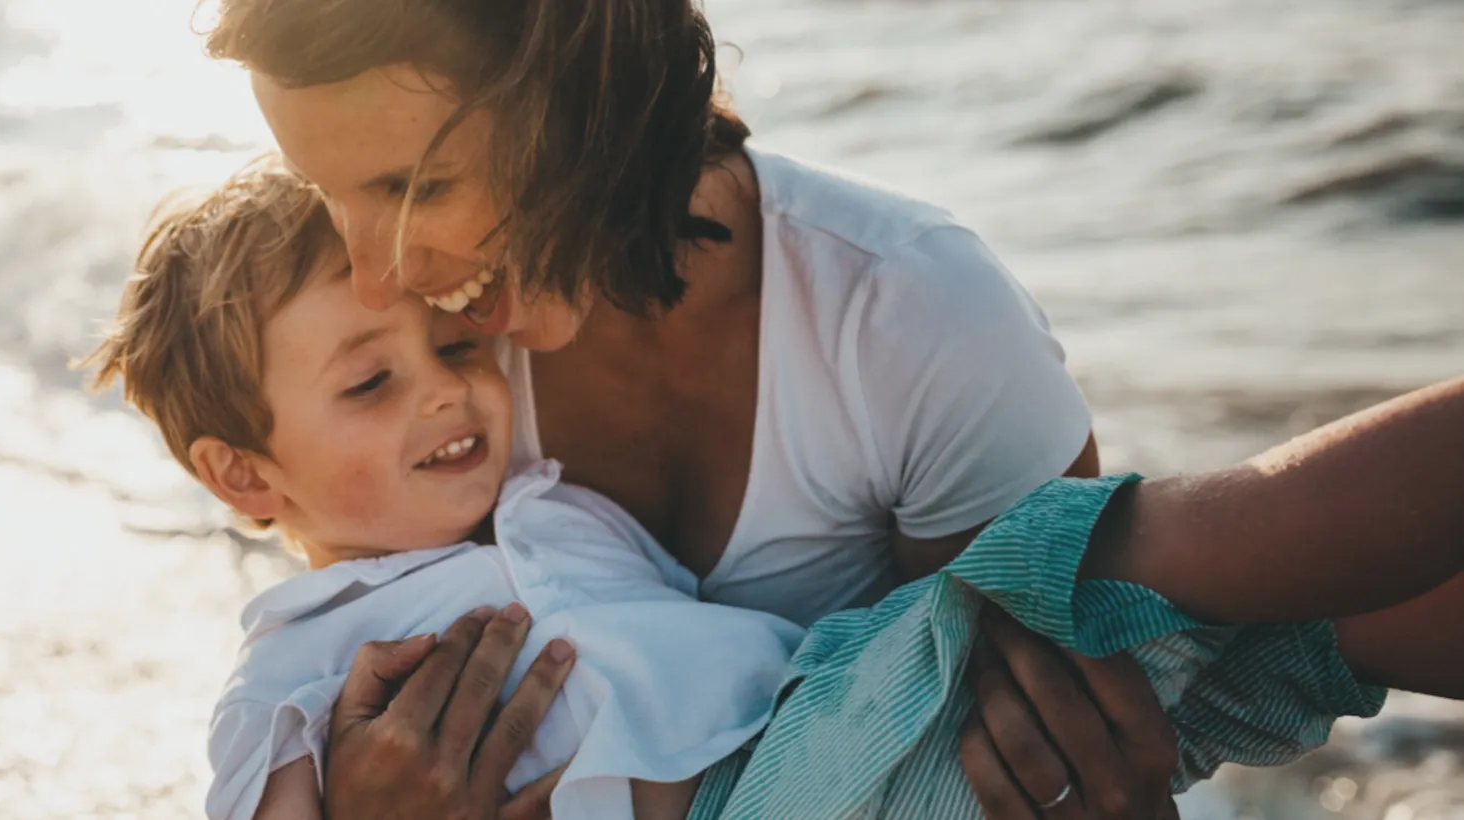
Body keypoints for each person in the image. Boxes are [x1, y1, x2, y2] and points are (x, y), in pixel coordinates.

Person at [86, 163, 1464, 819]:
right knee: (1127, 559)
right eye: (369, 385)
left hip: (844, 722)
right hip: (786, 792)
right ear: (242, 475)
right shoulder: (298, 667)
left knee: (1298, 634)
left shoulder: (549, 499)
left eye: (451, 345)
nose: (448, 389)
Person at [202, 1, 1168, 815]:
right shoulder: (437, 365)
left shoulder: (905, 317)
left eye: (418, 188)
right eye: (328, 195)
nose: (381, 276)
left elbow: (1082, 745)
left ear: (587, 107)